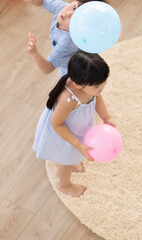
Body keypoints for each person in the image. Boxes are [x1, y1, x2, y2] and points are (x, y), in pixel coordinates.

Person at [33, 50, 115, 197]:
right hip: (64, 134)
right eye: (97, 87)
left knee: (72, 156)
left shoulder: (90, 87)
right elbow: (56, 124)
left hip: (78, 127)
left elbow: (97, 97)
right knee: (65, 159)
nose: (101, 89)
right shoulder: (68, 99)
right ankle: (65, 184)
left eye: (104, 83)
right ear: (77, 85)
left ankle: (70, 160)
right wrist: (78, 145)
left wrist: (106, 117)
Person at [23, 0, 108, 75]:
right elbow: (42, 2)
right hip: (71, 56)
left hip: (75, 70)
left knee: (68, 82)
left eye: (75, 18)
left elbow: (48, 69)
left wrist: (35, 53)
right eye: (74, 8)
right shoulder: (62, 7)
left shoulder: (65, 43)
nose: (68, 14)